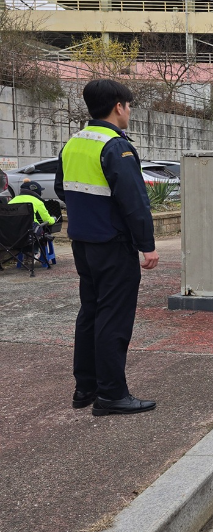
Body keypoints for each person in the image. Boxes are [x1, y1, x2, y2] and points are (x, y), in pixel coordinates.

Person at [54, 79, 159, 416]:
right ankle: (112, 394)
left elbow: (62, 188)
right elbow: (134, 202)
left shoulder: (73, 143)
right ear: (118, 106)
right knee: (113, 317)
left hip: (83, 243)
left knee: (91, 312)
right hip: (113, 245)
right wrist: (147, 245)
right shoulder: (116, 146)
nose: (129, 112)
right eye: (129, 106)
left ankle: (86, 387)